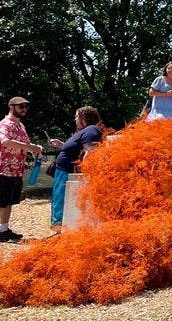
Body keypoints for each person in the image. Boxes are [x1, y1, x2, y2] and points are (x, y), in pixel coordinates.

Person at [48, 105, 103, 233]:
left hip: (68, 172)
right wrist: (61, 145)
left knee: (62, 200)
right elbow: (76, 148)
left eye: (77, 116)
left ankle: (62, 230)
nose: (75, 119)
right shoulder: (83, 131)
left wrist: (86, 173)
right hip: (63, 171)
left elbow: (91, 151)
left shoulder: (91, 129)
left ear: (85, 117)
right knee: (58, 199)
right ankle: (59, 230)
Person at [0, 96, 43, 242]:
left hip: (16, 170)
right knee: (2, 201)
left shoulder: (21, 126)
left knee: (9, 201)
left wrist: (35, 149)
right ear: (11, 107)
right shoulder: (5, 124)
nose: (24, 109)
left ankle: (3, 230)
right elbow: (5, 142)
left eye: (26, 107)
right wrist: (29, 147)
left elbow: (25, 144)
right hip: (4, 169)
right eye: (21, 106)